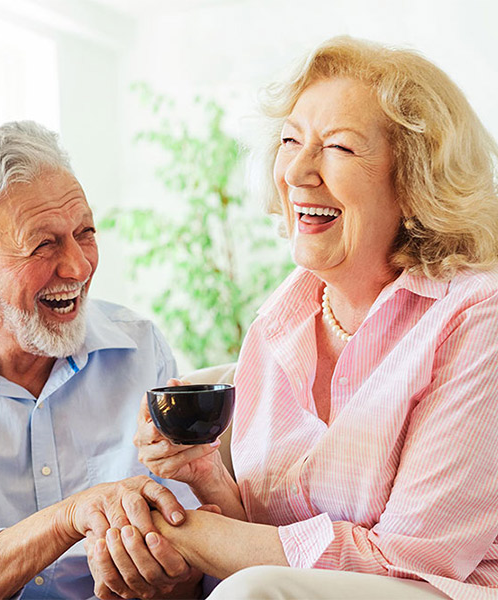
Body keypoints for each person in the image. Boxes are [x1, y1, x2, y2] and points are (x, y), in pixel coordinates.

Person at [91, 37, 498, 599]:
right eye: (290, 140)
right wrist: (203, 473)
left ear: (414, 183)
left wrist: (187, 533)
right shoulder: (281, 319)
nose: (299, 171)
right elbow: (273, 545)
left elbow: (407, 559)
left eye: (339, 148)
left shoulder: (479, 315)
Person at [0, 121, 203, 599]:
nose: (79, 267)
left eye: (84, 232)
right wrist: (68, 517)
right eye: (43, 244)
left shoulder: (141, 348)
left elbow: (192, 547)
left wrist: (164, 577)